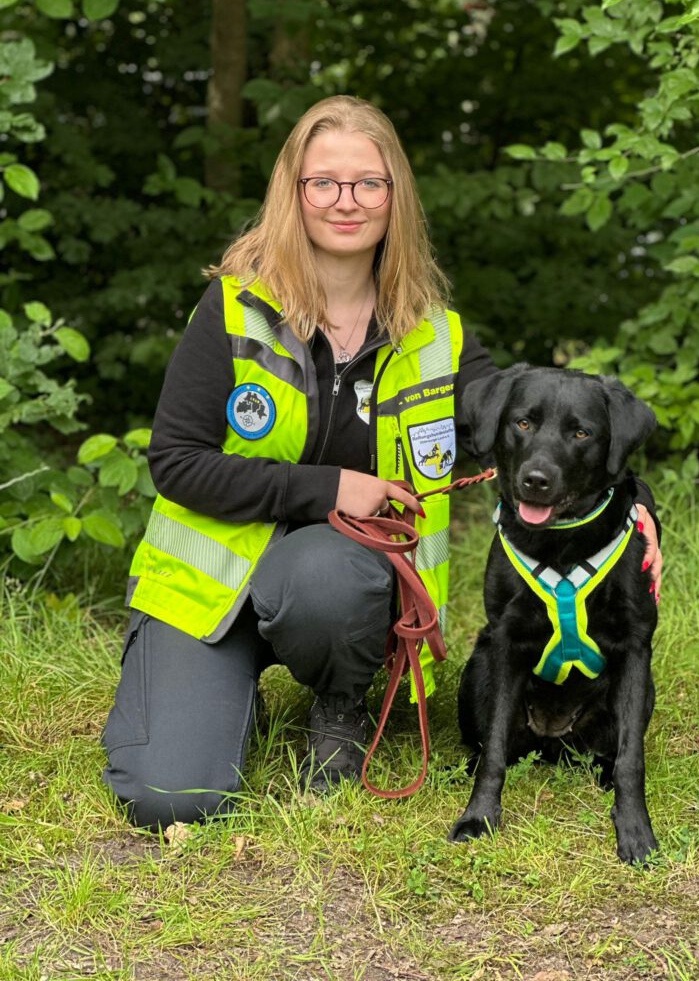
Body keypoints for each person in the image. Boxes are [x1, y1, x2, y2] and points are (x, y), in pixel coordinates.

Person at [101, 96, 662, 830]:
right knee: (170, 798)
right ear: (293, 193)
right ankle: (214, 694)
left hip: (332, 595)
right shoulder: (232, 311)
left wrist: (631, 504)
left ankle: (339, 705)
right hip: (208, 595)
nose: (346, 201)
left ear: (395, 197)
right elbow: (175, 464)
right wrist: (333, 487)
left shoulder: (438, 338)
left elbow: (534, 432)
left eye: (368, 183)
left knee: (330, 569)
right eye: (324, 182)